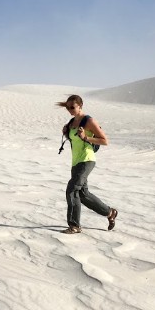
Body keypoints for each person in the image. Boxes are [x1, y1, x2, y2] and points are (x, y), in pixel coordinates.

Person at [56, 95, 118, 234]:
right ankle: (109, 212)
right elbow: (75, 141)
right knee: (83, 194)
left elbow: (104, 140)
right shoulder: (71, 122)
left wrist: (86, 137)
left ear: (80, 106)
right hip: (76, 162)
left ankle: (74, 226)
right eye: (68, 107)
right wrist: (66, 133)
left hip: (87, 160)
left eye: (72, 107)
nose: (70, 110)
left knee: (72, 190)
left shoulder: (89, 121)